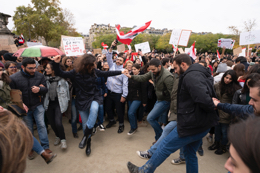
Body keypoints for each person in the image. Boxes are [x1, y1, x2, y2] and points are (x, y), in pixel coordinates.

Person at [127, 54, 218, 173]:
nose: (174, 71)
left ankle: (144, 171)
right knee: (190, 154)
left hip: (191, 124)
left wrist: (213, 105)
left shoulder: (191, 77)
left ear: (183, 64)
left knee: (164, 146)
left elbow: (205, 100)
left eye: (175, 68)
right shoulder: (201, 73)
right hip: (201, 123)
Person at [51, 54, 128, 156]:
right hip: (82, 98)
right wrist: (56, 63)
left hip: (94, 96)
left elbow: (108, 73)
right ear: (85, 64)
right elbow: (60, 73)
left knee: (95, 109)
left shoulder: (95, 71)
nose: (94, 65)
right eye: (92, 64)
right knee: (85, 124)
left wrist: (121, 71)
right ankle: (88, 143)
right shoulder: (75, 72)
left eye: (94, 63)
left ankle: (84, 136)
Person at [9, 58, 52, 156]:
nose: (33, 70)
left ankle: (45, 147)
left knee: (41, 125)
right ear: (23, 67)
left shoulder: (40, 75)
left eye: (34, 68)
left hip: (37, 105)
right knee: (28, 128)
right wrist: (21, 103)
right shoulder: (14, 78)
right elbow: (12, 94)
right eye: (30, 68)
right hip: (24, 108)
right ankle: (32, 147)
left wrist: (39, 89)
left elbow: (45, 89)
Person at [125, 58, 173, 142]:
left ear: (159, 66)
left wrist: (173, 109)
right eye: (150, 69)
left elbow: (173, 94)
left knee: (150, 118)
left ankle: (160, 136)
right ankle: (159, 137)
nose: (151, 71)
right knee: (153, 118)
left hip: (165, 101)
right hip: (159, 99)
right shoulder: (152, 72)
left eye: (153, 69)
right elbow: (143, 78)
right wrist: (130, 76)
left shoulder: (167, 77)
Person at [209, 70, 241, 155]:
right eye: (226, 77)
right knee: (217, 129)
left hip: (227, 113)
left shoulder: (236, 89)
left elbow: (235, 102)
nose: (227, 80)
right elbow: (213, 95)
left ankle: (223, 147)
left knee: (225, 131)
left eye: (230, 79)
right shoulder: (217, 85)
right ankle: (216, 144)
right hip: (216, 111)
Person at [43, 61, 70, 150]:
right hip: (48, 104)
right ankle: (57, 136)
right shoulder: (44, 79)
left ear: (53, 70)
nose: (45, 69)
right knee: (52, 123)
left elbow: (67, 94)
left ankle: (63, 140)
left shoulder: (62, 80)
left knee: (58, 122)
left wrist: (66, 104)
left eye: (47, 68)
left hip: (59, 104)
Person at [105, 41, 129, 133]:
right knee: (108, 108)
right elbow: (108, 55)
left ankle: (121, 125)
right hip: (109, 92)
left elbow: (125, 84)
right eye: (117, 59)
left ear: (123, 62)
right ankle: (111, 120)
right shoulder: (111, 66)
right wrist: (111, 46)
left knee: (119, 111)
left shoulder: (124, 71)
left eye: (120, 60)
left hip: (118, 94)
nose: (118, 61)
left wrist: (124, 96)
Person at [127, 64, 147, 135]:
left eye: (135, 69)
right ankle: (135, 126)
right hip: (130, 97)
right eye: (132, 69)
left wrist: (144, 101)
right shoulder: (130, 76)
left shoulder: (142, 77)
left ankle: (133, 127)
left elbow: (144, 90)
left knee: (130, 112)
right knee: (133, 113)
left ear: (139, 69)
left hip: (138, 98)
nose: (133, 71)